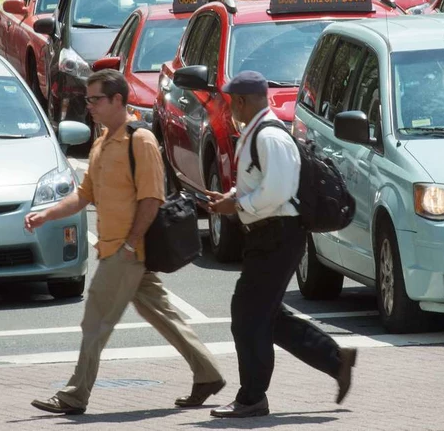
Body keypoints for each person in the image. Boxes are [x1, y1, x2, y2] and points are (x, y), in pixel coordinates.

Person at [25, 70, 224, 416]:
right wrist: (47, 215)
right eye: (88, 100)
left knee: (94, 320)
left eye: (96, 99)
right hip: (122, 249)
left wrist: (132, 244)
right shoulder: (103, 141)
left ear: (118, 100)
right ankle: (208, 373)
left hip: (127, 251)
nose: (90, 107)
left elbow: (152, 198)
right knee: (164, 314)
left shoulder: (140, 140)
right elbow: (84, 195)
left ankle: (74, 395)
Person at [205, 70, 357, 419]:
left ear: (241, 101)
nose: (229, 109)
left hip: (278, 235)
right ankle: (336, 361)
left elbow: (278, 192)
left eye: (230, 102)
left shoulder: (269, 136)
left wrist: (238, 205)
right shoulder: (258, 132)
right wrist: (231, 197)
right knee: (268, 317)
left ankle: (251, 397)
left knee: (247, 315)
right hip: (269, 234)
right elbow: (264, 185)